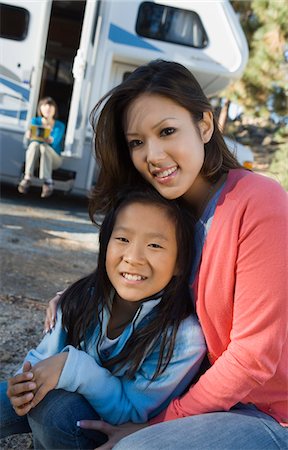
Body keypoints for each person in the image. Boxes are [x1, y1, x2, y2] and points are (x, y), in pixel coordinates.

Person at [45, 59, 288, 450]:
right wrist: (78, 296)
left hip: (265, 411)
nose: (153, 155)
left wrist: (159, 425)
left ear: (205, 125)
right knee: (55, 410)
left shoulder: (258, 201)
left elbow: (253, 357)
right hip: (176, 392)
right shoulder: (167, 210)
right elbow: (135, 277)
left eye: (167, 131)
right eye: (137, 142)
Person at [0, 187, 206, 449]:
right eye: (122, 239)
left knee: (54, 411)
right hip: (64, 401)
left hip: (110, 431)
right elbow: (42, 358)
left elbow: (130, 414)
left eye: (154, 245)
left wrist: (72, 367)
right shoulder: (82, 297)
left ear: (180, 262)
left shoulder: (182, 338)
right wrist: (23, 382)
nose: (132, 258)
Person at [18, 96, 65, 198]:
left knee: (44, 147)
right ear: (40, 108)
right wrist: (29, 134)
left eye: (50, 107)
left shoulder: (59, 125)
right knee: (34, 144)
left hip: (54, 159)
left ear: (54, 110)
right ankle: (27, 177)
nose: (47, 109)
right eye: (45, 106)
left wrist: (46, 138)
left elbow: (55, 142)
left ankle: (47, 181)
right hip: (37, 157)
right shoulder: (35, 121)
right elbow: (33, 138)